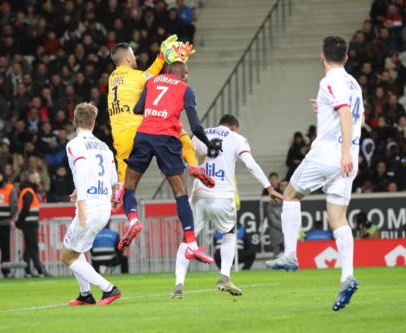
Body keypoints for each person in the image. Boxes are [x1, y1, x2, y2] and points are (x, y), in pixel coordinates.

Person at [265, 36, 363, 311]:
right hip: (349, 156)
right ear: (345, 57)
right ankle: (347, 276)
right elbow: (355, 117)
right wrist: (324, 112)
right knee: (337, 217)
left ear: (322, 57)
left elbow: (344, 113)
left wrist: (342, 151)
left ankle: (290, 256)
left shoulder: (329, 80)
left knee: (290, 195)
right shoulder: (353, 83)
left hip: (330, 153)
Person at [120, 61, 221, 265]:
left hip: (144, 135)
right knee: (180, 192)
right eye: (188, 73)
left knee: (129, 186)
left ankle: (133, 220)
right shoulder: (186, 89)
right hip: (167, 138)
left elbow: (139, 109)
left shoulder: (153, 82)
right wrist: (209, 144)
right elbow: (196, 126)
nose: (188, 76)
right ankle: (191, 245)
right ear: (183, 74)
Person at [172, 115, 283, 298]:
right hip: (222, 195)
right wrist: (269, 187)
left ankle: (178, 285)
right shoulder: (236, 138)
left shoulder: (199, 135)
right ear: (233, 127)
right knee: (229, 233)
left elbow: (187, 160)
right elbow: (250, 164)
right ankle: (224, 276)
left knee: (188, 238)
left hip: (199, 194)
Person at [107, 36, 212, 208]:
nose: (135, 58)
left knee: (126, 183)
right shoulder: (135, 76)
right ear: (127, 58)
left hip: (119, 134)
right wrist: (162, 57)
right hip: (141, 127)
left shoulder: (112, 78)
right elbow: (151, 77)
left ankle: (130, 214)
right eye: (133, 55)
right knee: (182, 137)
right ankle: (193, 166)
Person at [60, 103, 121, 306]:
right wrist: (80, 190)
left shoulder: (74, 145)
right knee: (77, 250)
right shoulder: (105, 147)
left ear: (74, 120)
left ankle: (109, 289)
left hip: (90, 207)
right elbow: (113, 180)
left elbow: (83, 169)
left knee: (68, 256)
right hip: (103, 206)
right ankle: (85, 294)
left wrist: (82, 200)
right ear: (94, 123)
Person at [16, 171, 45, 277]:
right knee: (33, 247)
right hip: (30, 224)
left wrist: (20, 222)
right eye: (37, 178)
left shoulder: (27, 191)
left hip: (27, 223)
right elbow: (26, 208)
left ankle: (27, 270)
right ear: (32, 179)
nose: (38, 180)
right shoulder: (29, 191)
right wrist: (20, 221)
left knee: (28, 248)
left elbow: (24, 208)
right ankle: (39, 270)